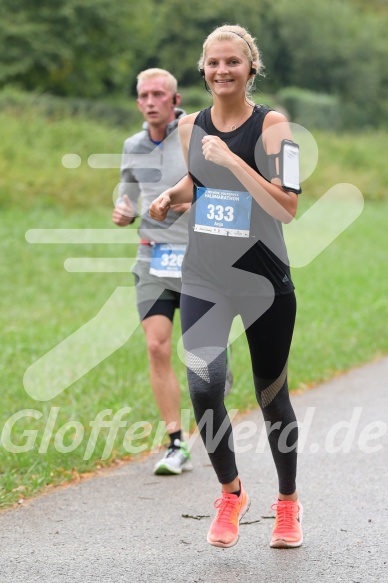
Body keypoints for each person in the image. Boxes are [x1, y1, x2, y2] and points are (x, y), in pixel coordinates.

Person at [149, 26, 303, 548]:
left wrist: (234, 160)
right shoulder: (190, 127)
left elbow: (287, 205)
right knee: (204, 386)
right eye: (213, 62)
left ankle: (287, 505)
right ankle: (231, 492)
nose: (221, 71)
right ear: (203, 67)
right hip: (206, 277)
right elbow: (199, 180)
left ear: (250, 69)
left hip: (263, 280)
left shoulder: (275, 127)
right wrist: (172, 196)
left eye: (232, 62)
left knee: (271, 396)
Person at [112, 68, 233, 476]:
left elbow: (220, 190)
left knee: (204, 364)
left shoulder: (193, 134)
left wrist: (190, 205)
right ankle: (176, 443)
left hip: (200, 259)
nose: (149, 101)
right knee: (156, 346)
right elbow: (127, 195)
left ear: (174, 98)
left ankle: (218, 376)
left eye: (157, 94)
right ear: (137, 102)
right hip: (152, 259)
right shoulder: (132, 145)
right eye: (143, 95)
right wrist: (123, 211)